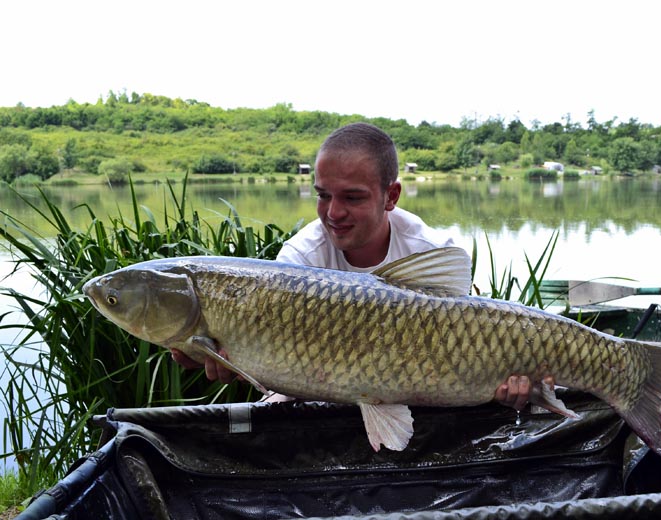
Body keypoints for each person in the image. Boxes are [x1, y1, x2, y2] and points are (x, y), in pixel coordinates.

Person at [172, 122, 541, 410]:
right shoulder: (298, 261)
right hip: (322, 399)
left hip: (422, 400)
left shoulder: (430, 250)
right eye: (323, 195)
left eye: (352, 197)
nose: (333, 213)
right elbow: (270, 368)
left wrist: (507, 386)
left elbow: (470, 342)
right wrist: (231, 364)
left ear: (390, 196)